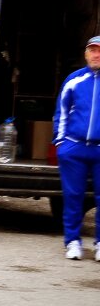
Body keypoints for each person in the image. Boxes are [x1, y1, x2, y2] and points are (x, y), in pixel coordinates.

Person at [54, 35, 100, 261]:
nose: (96, 54)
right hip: (74, 148)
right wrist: (61, 143)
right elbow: (61, 113)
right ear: (86, 54)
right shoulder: (74, 80)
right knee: (73, 197)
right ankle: (72, 241)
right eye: (92, 50)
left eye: (99, 51)